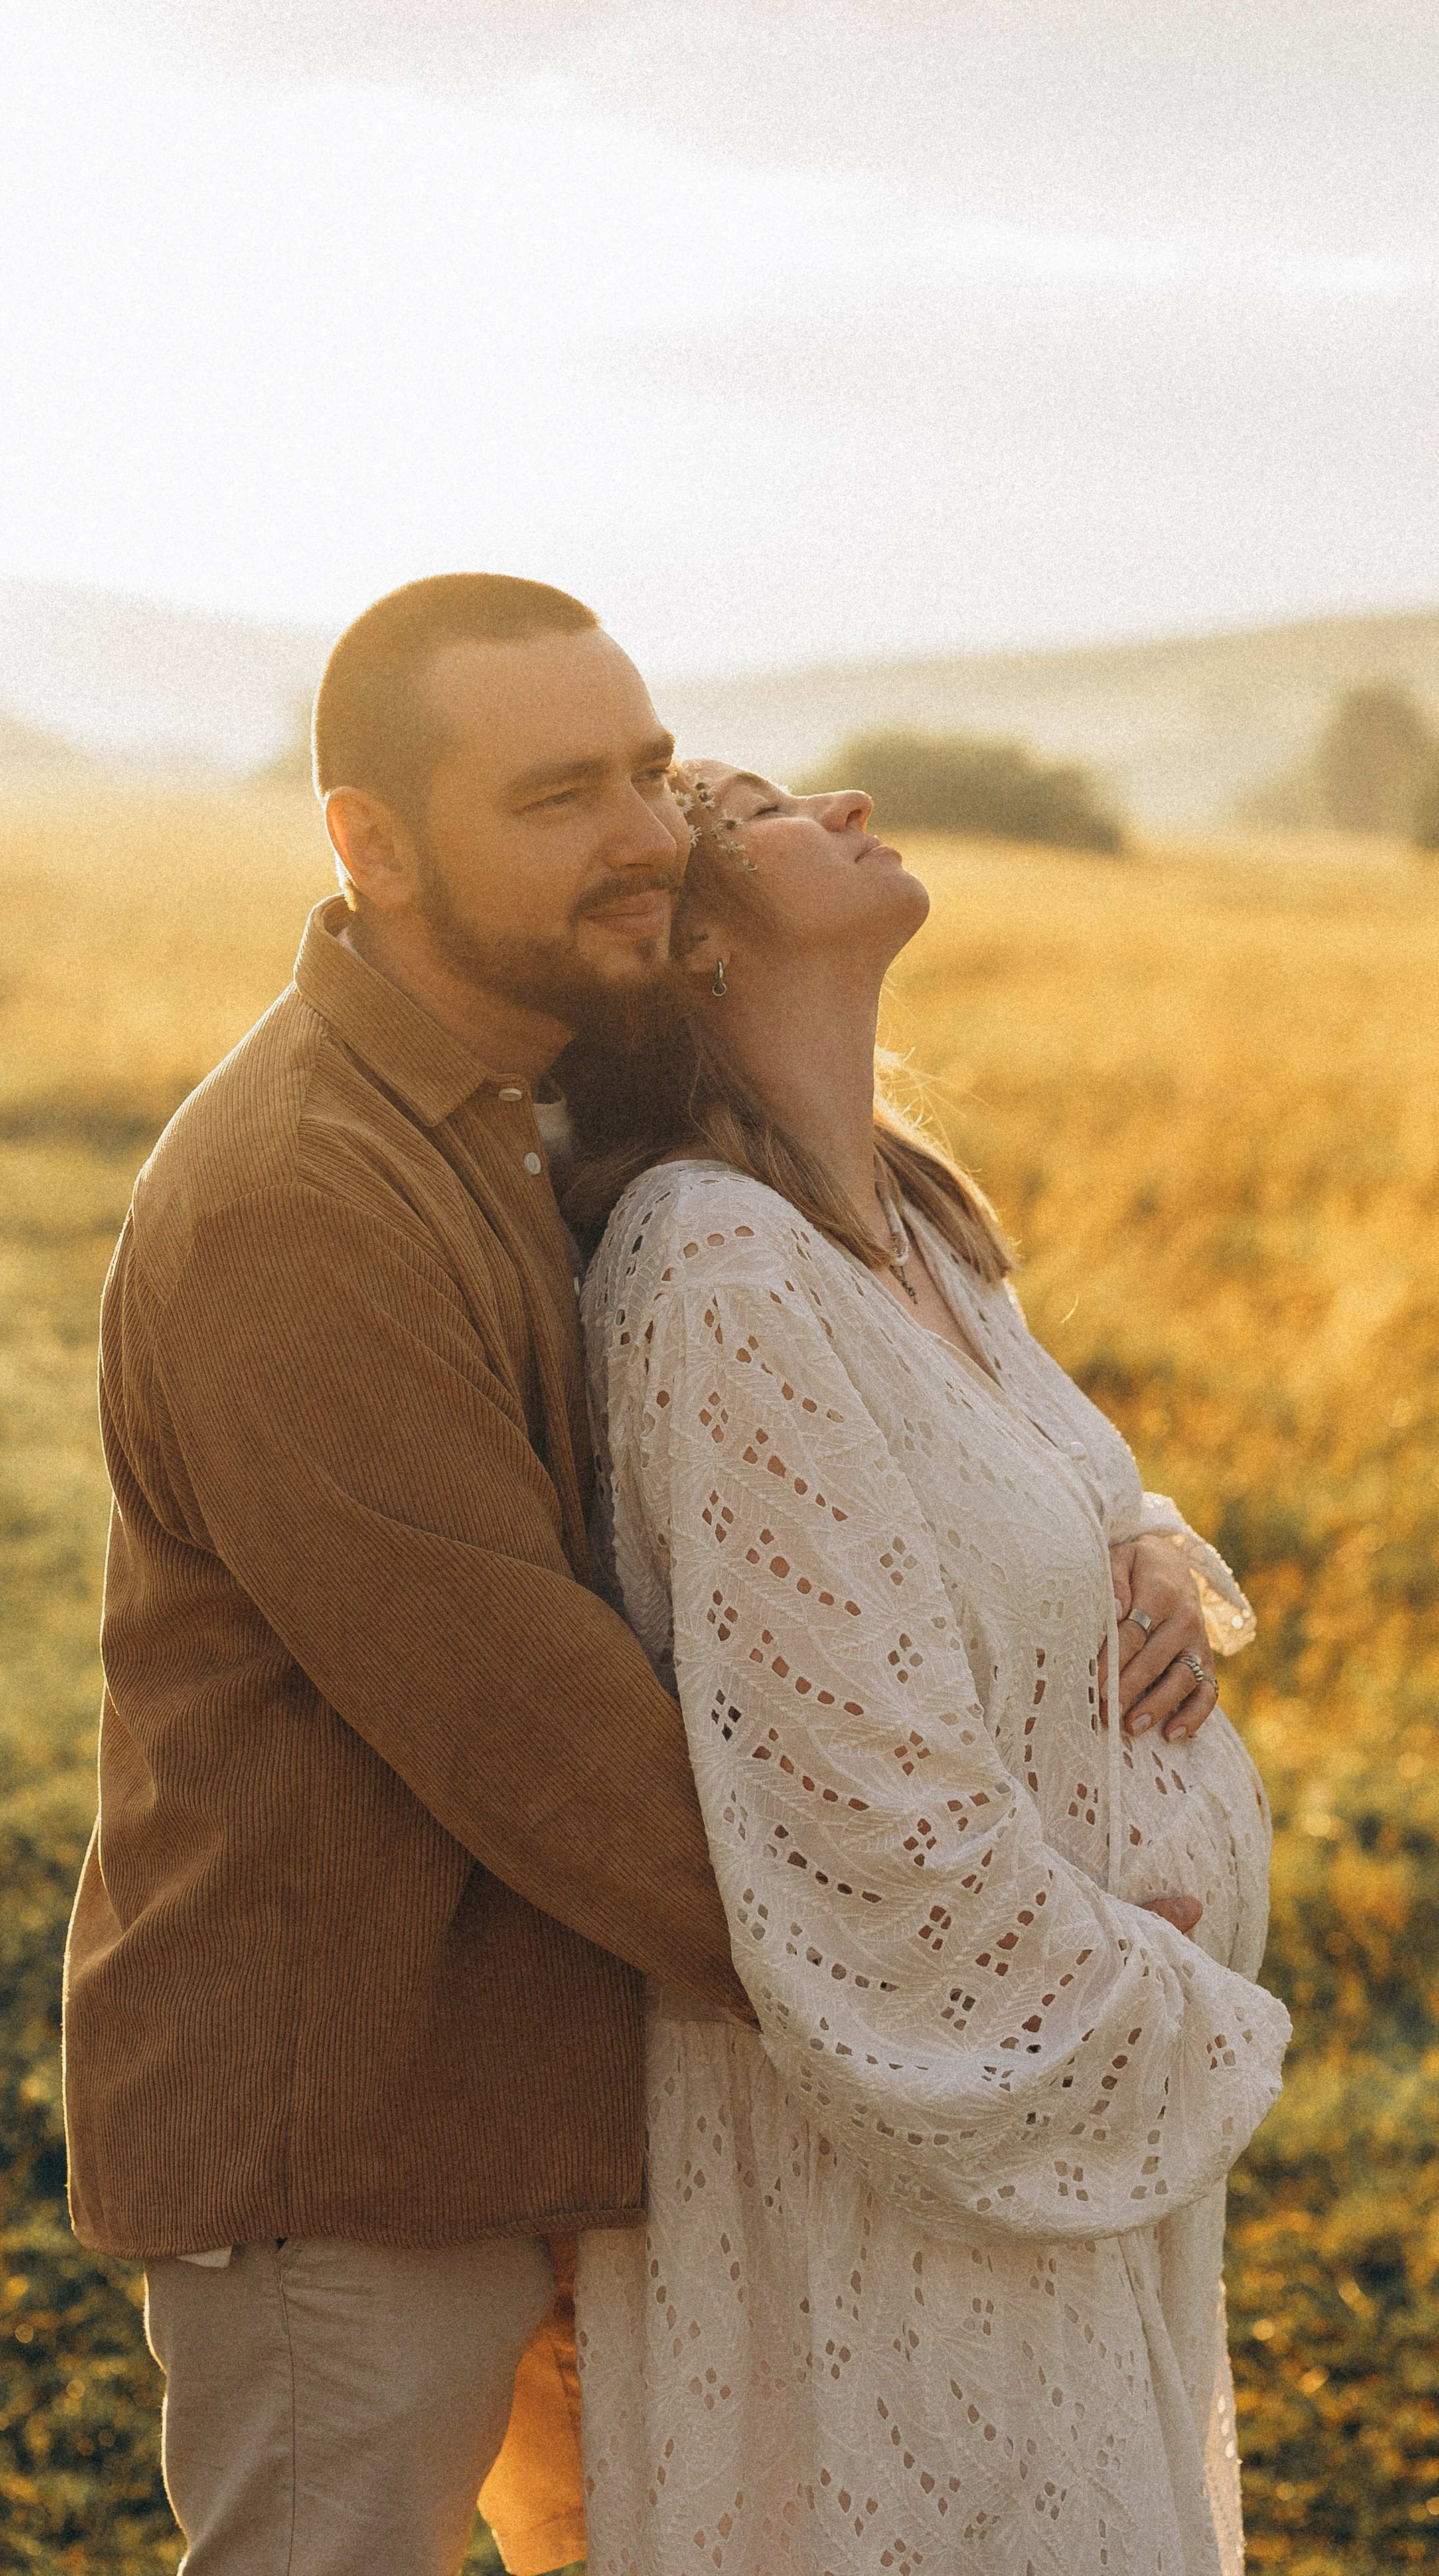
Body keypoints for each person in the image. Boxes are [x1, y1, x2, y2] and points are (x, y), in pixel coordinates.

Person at [61, 574, 757, 2576]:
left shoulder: (542, 1100)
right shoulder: (301, 1196)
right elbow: (545, 1739)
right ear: (369, 843)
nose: (642, 833)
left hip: (552, 2093)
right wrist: (943, 2002)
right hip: (350, 2135)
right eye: (557, 796)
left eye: (646, 768)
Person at [563, 763, 1290, 2574]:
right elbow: (850, 1808)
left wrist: (1150, 1559)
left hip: (1030, 2147)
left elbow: (1043, 1499)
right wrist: (1152, 1992)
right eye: (773, 806)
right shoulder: (715, 1264)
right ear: (701, 951)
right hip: (904, 2151)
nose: (855, 793)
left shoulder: (912, 1228)